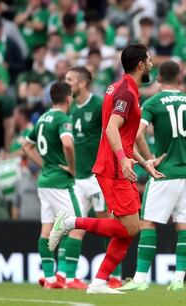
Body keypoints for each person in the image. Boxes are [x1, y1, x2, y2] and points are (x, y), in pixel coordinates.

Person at [47, 44, 165, 294]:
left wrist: (147, 162)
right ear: (141, 65)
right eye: (150, 60)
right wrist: (123, 159)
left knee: (128, 230)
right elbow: (111, 129)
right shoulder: (126, 93)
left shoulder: (121, 88)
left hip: (119, 165)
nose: (152, 65)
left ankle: (99, 281)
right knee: (130, 228)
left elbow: (126, 134)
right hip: (113, 168)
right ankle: (69, 221)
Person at [120, 60, 186, 292]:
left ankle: (140, 279)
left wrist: (149, 162)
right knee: (183, 225)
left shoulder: (153, 102)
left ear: (158, 79)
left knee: (147, 223)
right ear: (179, 78)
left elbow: (137, 135)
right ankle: (178, 280)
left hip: (164, 172)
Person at [20, 82, 82, 290]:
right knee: (75, 226)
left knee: (48, 230)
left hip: (44, 181)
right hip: (59, 182)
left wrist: (44, 164)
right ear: (68, 98)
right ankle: (67, 277)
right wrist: (72, 167)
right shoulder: (63, 119)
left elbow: (26, 147)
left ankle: (50, 278)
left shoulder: (43, 118)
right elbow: (67, 143)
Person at [65, 67, 106, 289]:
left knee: (107, 224)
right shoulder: (68, 107)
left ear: (82, 83)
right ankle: (69, 278)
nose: (66, 83)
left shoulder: (99, 105)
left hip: (97, 176)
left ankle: (113, 275)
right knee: (76, 226)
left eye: (69, 80)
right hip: (77, 178)